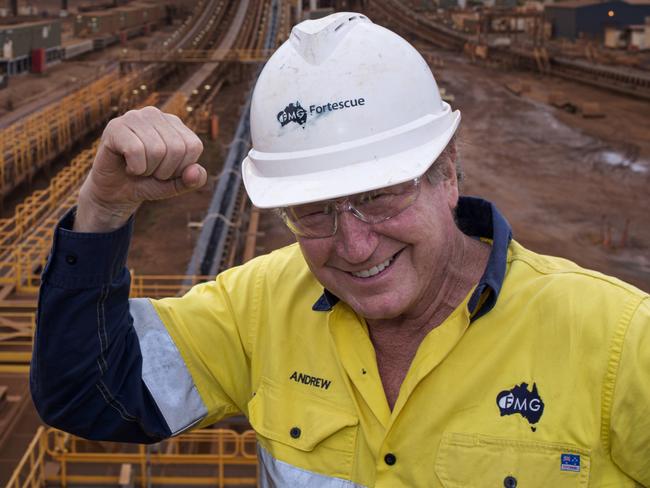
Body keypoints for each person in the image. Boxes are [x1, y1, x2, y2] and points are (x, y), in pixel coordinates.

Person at [31, 12, 649, 487]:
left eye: (380, 196)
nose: (353, 245)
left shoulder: (618, 342)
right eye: (314, 210)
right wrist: (103, 213)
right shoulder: (262, 306)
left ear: (448, 172)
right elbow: (88, 392)